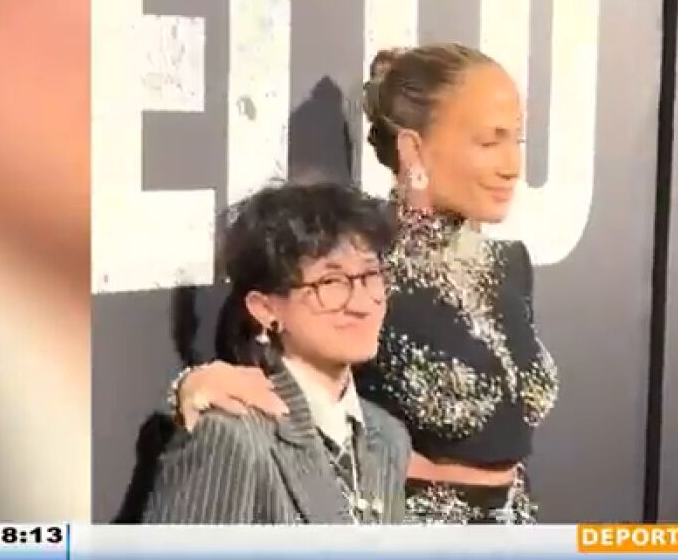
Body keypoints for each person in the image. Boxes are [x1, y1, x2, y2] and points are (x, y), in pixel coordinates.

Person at [170, 43, 559, 524]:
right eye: (489, 142)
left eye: (517, 140)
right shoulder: (361, 265)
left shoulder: (511, 264)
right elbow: (268, 374)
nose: (512, 165)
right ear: (414, 149)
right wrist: (194, 386)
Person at [144, 182, 411, 524]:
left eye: (370, 276)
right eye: (331, 283)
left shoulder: (388, 438)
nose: (361, 303)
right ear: (265, 308)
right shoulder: (233, 436)